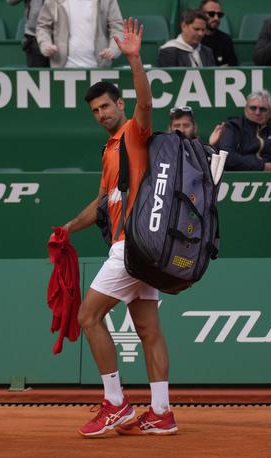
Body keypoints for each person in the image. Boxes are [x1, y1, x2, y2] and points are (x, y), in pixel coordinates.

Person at [57, 18, 178, 437]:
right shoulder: (110, 150)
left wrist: (134, 59)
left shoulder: (133, 133)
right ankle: (161, 412)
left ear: (120, 105)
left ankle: (115, 403)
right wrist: (70, 227)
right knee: (147, 329)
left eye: (106, 106)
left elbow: (146, 103)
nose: (101, 114)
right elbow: (104, 204)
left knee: (87, 316)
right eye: (94, 111)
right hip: (144, 250)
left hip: (132, 248)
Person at [35, 0, 123, 68]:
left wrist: (113, 50)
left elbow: (117, 28)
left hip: (98, 68)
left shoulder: (106, 1)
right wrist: (46, 44)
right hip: (62, 69)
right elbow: (43, 26)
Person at [8, 0, 49, 67]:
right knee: (37, 75)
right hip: (34, 37)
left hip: (60, 38)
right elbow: (10, 1)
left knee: (61, 75)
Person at [199, 0, 238, 66]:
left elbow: (232, 64)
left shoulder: (226, 39)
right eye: (211, 14)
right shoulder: (194, 38)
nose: (216, 18)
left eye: (219, 15)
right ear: (201, 15)